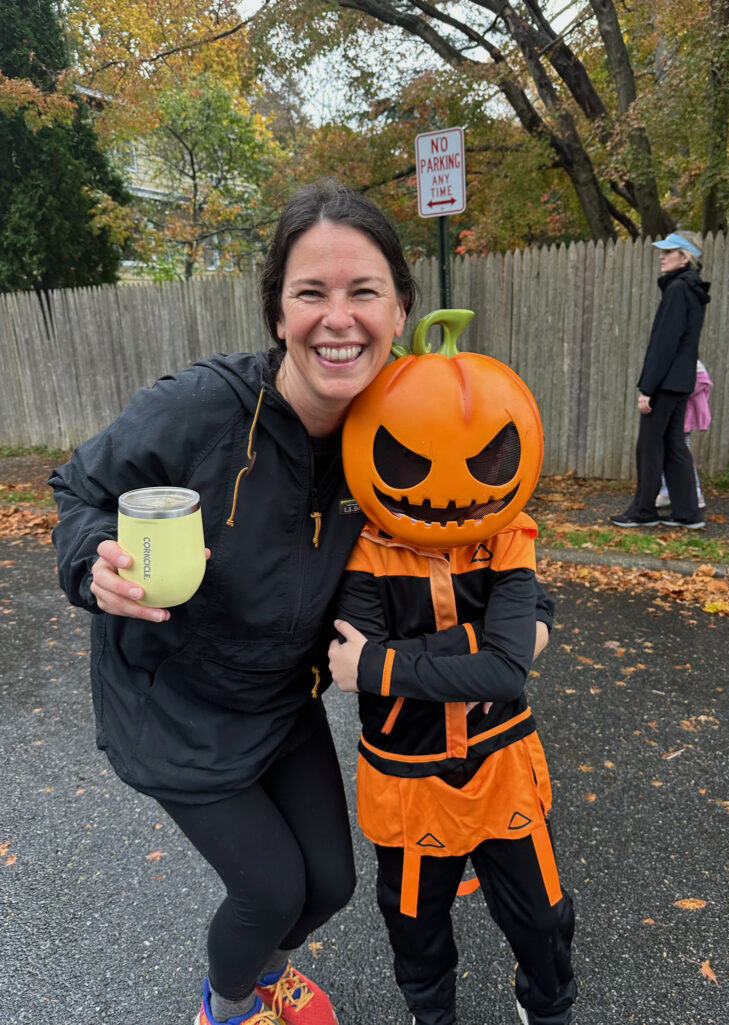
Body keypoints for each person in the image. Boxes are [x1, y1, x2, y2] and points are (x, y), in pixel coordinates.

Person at [48, 179, 417, 1025]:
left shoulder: (402, 431)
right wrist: (91, 565)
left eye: (364, 291)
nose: (339, 316)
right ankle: (228, 1006)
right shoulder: (201, 409)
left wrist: (509, 617)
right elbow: (77, 490)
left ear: (399, 309)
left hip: (280, 698)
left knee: (330, 882)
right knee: (271, 889)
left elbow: (469, 527)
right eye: (310, 292)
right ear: (278, 314)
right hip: (174, 702)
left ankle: (262, 971)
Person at [327, 328, 576, 1025]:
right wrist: (500, 642)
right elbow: (503, 656)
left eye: (483, 457)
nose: (447, 486)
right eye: (411, 458)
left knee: (545, 919)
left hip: (503, 769)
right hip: (408, 782)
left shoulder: (507, 533)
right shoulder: (362, 551)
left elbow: (495, 670)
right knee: (415, 927)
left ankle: (547, 1008)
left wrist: (386, 663)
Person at [610, 230, 711, 530]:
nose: (662, 256)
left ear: (685, 257)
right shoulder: (690, 288)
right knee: (675, 444)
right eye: (663, 251)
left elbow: (665, 343)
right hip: (681, 381)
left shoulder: (679, 289)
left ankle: (643, 510)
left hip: (666, 383)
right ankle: (687, 513)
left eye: (669, 252)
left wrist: (647, 388)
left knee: (650, 445)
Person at [656, 358, 712, 509]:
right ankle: (667, 491)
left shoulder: (692, 364)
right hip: (670, 415)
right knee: (665, 452)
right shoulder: (675, 359)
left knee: (681, 455)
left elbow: (701, 382)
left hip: (681, 418)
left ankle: (695, 493)